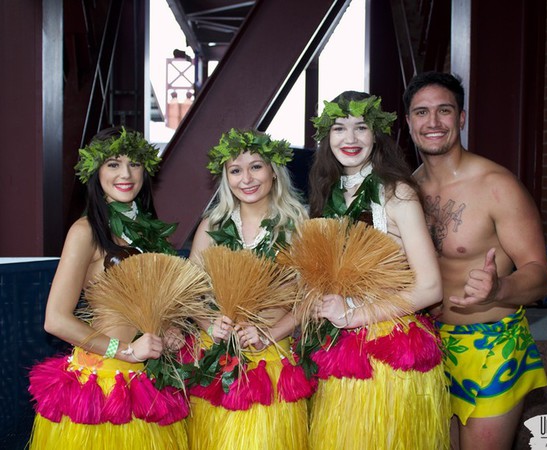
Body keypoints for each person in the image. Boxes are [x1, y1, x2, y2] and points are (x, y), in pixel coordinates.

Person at [405, 71, 547, 450]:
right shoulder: (406, 190)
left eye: (444, 110)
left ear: (461, 118)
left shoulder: (496, 185)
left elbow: (540, 274)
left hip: (492, 346)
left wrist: (499, 288)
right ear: (408, 121)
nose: (433, 122)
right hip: (431, 347)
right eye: (421, 112)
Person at [307, 91, 450, 449]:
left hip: (388, 351)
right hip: (341, 350)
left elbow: (431, 288)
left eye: (361, 127)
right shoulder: (329, 195)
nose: (350, 138)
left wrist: (354, 315)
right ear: (327, 137)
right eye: (339, 128)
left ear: (376, 135)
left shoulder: (397, 194)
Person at [28, 127, 188, 449]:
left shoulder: (149, 233)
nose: (125, 174)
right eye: (113, 164)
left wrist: (171, 329)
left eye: (134, 164)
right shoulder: (85, 232)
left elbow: (157, 305)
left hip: (147, 383)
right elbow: (56, 320)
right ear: (96, 171)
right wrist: (127, 351)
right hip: (102, 387)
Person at [187, 128, 310, 450]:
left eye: (256, 166)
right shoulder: (212, 226)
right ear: (225, 176)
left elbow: (311, 297)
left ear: (273, 170)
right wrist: (209, 324)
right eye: (235, 170)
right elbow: (189, 292)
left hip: (272, 358)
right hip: (217, 360)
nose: (247, 179)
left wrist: (270, 334)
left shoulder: (297, 227)